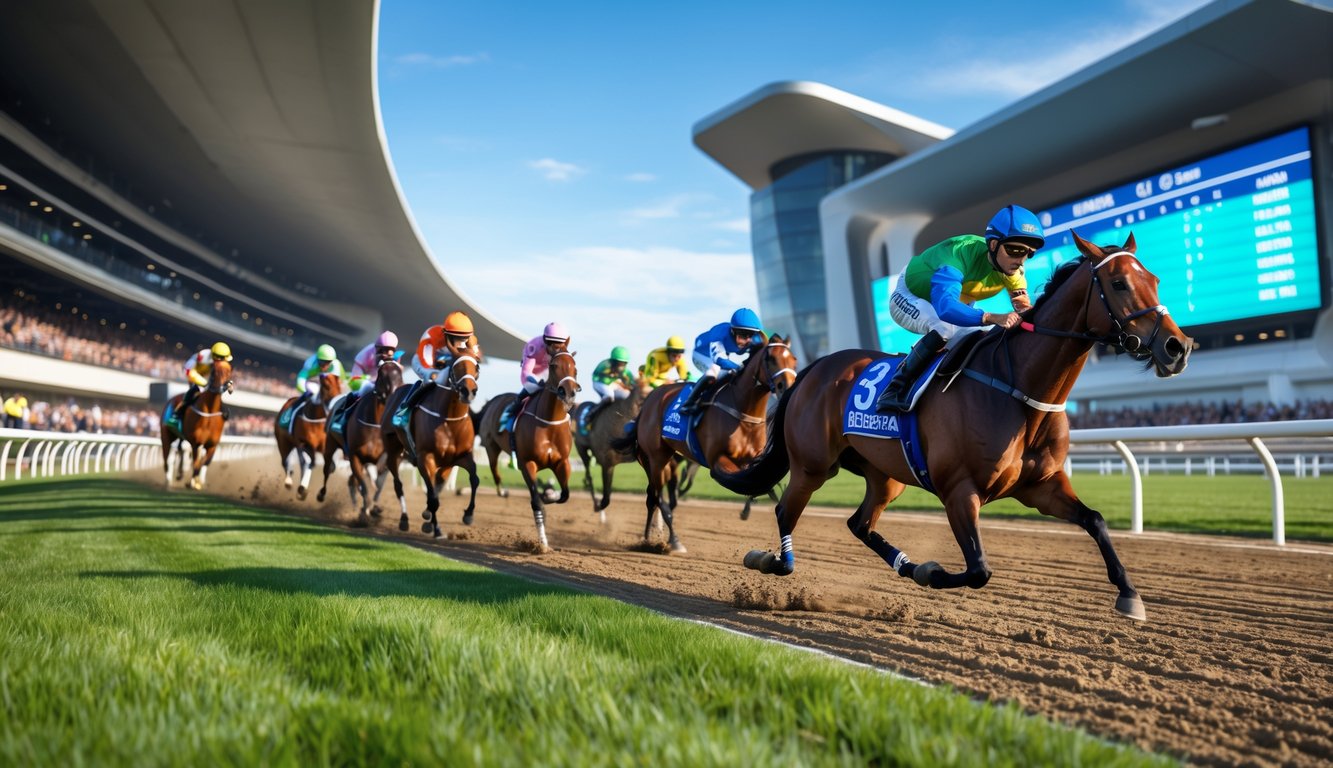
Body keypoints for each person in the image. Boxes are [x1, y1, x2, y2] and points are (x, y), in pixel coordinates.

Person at [875, 204, 1043, 412]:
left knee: (981, 339)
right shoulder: (958, 254)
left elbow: (1024, 310)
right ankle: (894, 389)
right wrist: (992, 317)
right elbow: (945, 309)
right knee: (943, 328)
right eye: (1015, 250)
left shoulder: (1012, 269)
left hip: (954, 301)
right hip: (910, 295)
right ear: (992, 244)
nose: (1020, 260)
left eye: (1029, 253)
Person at [393, 311, 478, 428]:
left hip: (447, 362)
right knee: (433, 379)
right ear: (447, 335)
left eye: (464, 338)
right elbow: (428, 363)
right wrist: (438, 369)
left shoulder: (471, 340)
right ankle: (404, 411)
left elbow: (472, 361)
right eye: (456, 338)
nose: (461, 343)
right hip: (423, 361)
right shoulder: (431, 335)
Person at [677, 308, 765, 415]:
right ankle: (688, 404)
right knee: (715, 370)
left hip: (721, 354)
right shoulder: (719, 334)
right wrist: (741, 369)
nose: (747, 340)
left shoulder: (753, 339)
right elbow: (720, 360)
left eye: (751, 335)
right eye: (743, 335)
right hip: (701, 355)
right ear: (733, 331)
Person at [502, 322, 570, 431]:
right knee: (532, 388)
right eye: (551, 343)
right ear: (545, 340)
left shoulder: (562, 348)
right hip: (532, 373)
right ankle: (510, 412)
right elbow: (526, 373)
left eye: (559, 344)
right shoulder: (534, 347)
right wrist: (538, 383)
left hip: (548, 371)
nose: (555, 349)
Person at [329, 331, 399, 436]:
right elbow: (355, 376)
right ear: (378, 349)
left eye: (390, 351)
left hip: (381, 382)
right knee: (366, 389)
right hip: (361, 379)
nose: (387, 355)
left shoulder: (396, 357)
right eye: (383, 351)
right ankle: (342, 420)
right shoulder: (366, 353)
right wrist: (370, 380)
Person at [279, 344, 346, 429]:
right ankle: (289, 417)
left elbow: (341, 383)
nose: (325, 366)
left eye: (328, 362)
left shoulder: (336, 365)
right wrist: (305, 391)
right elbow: (301, 378)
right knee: (310, 395)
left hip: (329, 385)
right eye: (322, 362)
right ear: (317, 359)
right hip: (312, 382)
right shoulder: (310, 362)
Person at [169, 342, 232, 431]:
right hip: (194, 373)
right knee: (194, 391)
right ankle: (176, 414)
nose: (222, 361)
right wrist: (203, 383)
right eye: (221, 358)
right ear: (215, 356)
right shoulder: (203, 356)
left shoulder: (221, 364)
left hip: (207, 376)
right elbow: (190, 371)